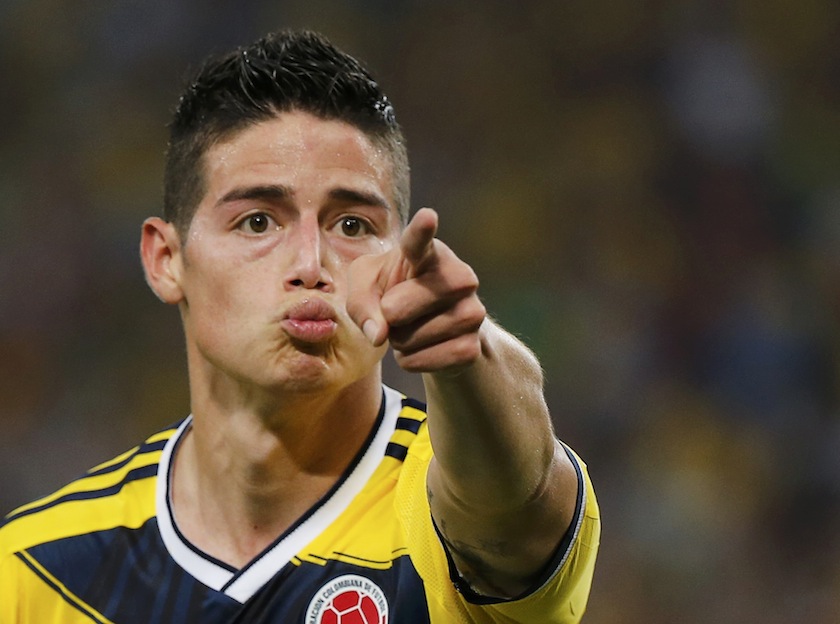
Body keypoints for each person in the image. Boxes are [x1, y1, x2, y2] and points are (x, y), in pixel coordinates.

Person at [0, 30, 599, 623]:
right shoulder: (35, 572)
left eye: (352, 225)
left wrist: (468, 356)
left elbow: (516, 503)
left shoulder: (443, 514)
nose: (311, 265)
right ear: (167, 259)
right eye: (258, 222)